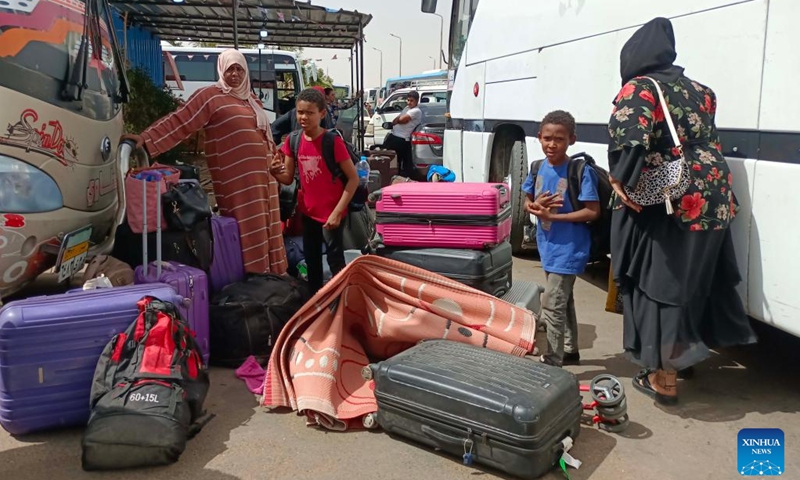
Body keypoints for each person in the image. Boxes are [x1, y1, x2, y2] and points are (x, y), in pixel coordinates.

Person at [607, 18, 756, 405]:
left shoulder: (640, 87)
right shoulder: (702, 91)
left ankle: (666, 380)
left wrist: (620, 180)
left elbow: (631, 139)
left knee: (662, 284)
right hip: (715, 192)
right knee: (695, 278)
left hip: (671, 197)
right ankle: (684, 358)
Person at [121, 49, 287, 276]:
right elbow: (182, 120)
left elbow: (265, 138)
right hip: (238, 183)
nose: (235, 74)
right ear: (221, 70)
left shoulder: (251, 99)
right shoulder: (210, 96)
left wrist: (276, 163)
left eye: (239, 69)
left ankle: (273, 277)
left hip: (265, 181)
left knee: (268, 227)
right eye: (230, 69)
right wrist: (147, 139)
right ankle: (253, 278)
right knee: (245, 230)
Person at [522, 111, 600, 368]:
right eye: (547, 138)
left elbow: (592, 211)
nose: (552, 144)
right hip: (547, 246)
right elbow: (527, 201)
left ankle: (553, 360)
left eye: (559, 139)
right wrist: (535, 206)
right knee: (563, 301)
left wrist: (554, 217)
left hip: (570, 247)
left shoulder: (580, 170)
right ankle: (570, 350)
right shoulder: (537, 167)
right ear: (539, 137)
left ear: (572, 140)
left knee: (552, 304)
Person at [270, 88, 359, 293]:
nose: (304, 117)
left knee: (335, 262)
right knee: (312, 261)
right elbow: (288, 178)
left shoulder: (332, 141)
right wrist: (274, 172)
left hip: (332, 214)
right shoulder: (293, 140)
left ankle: (342, 300)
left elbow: (353, 179)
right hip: (308, 213)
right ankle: (316, 301)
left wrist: (337, 212)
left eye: (310, 113)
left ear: (322, 113)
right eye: (300, 112)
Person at [383, 90, 422, 179]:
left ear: (417, 101)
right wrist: (397, 120)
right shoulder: (407, 109)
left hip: (402, 139)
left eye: (412, 101)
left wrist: (398, 120)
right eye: (408, 100)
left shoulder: (416, 111)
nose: (409, 102)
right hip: (394, 136)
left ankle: (402, 178)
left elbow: (402, 120)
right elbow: (395, 120)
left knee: (403, 163)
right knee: (391, 159)